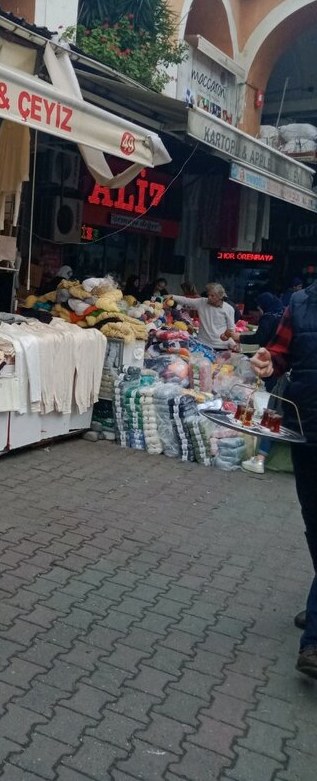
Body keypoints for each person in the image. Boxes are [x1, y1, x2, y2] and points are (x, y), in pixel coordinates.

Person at [250, 282, 317, 679]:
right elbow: (279, 353)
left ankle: (313, 640)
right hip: (305, 430)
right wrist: (266, 361)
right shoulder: (301, 303)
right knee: (313, 524)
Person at [241, 293, 286, 475]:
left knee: (274, 413)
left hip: (289, 375)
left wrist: (241, 339)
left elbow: (265, 341)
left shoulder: (271, 317)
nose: (258, 311)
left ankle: (260, 459)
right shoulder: (284, 313)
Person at [168, 282, 239, 351]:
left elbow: (231, 329)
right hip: (203, 344)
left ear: (220, 296)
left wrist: (231, 342)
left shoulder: (229, 309)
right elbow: (187, 300)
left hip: (221, 346)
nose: (209, 298)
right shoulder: (202, 302)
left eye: (212, 295)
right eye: (208, 295)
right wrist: (172, 296)